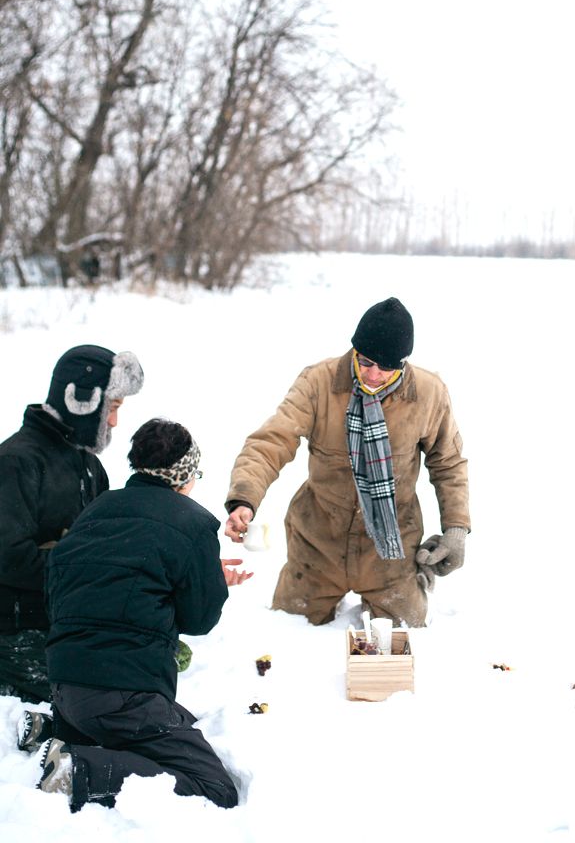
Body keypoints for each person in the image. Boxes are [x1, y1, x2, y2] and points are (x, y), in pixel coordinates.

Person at [35, 418, 251, 810]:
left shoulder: (96, 510)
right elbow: (200, 620)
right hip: (122, 694)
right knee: (215, 786)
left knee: (183, 724)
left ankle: (50, 732)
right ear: (184, 475)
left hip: (66, 685)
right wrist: (208, 581)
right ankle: (78, 768)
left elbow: (100, 582)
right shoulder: (192, 522)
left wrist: (194, 575)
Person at [224, 296, 470, 627]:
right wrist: (244, 500)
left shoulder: (428, 393)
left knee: (403, 635)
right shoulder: (318, 382)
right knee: (286, 627)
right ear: (355, 349)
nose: (373, 374)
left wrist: (455, 529)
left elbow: (449, 462)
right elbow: (271, 441)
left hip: (391, 548)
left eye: (386, 367)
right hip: (317, 542)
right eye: (366, 361)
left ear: (402, 363)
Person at [0, 343, 144, 704]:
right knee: (100, 693)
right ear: (82, 400)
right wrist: (83, 567)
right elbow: (8, 557)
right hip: (15, 629)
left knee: (147, 665)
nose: (114, 422)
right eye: (112, 408)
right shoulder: (16, 461)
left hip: (68, 620)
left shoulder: (89, 466)